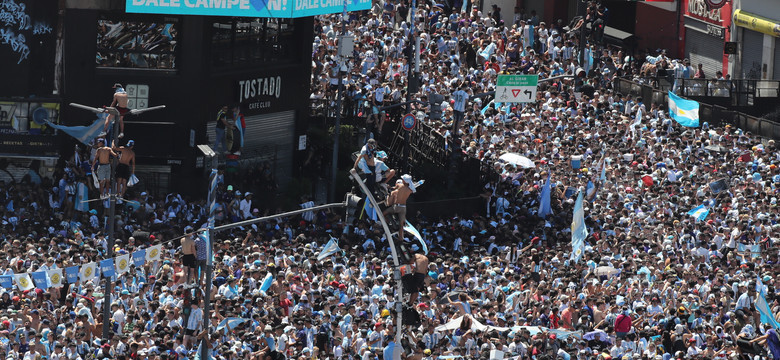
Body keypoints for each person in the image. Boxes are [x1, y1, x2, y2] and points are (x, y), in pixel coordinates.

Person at [383, 174, 415, 241]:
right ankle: (401, 239)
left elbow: (393, 188)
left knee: (383, 213)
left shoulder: (399, 185)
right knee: (401, 225)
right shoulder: (410, 190)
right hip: (403, 208)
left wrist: (389, 187)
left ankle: (388, 225)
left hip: (396, 207)